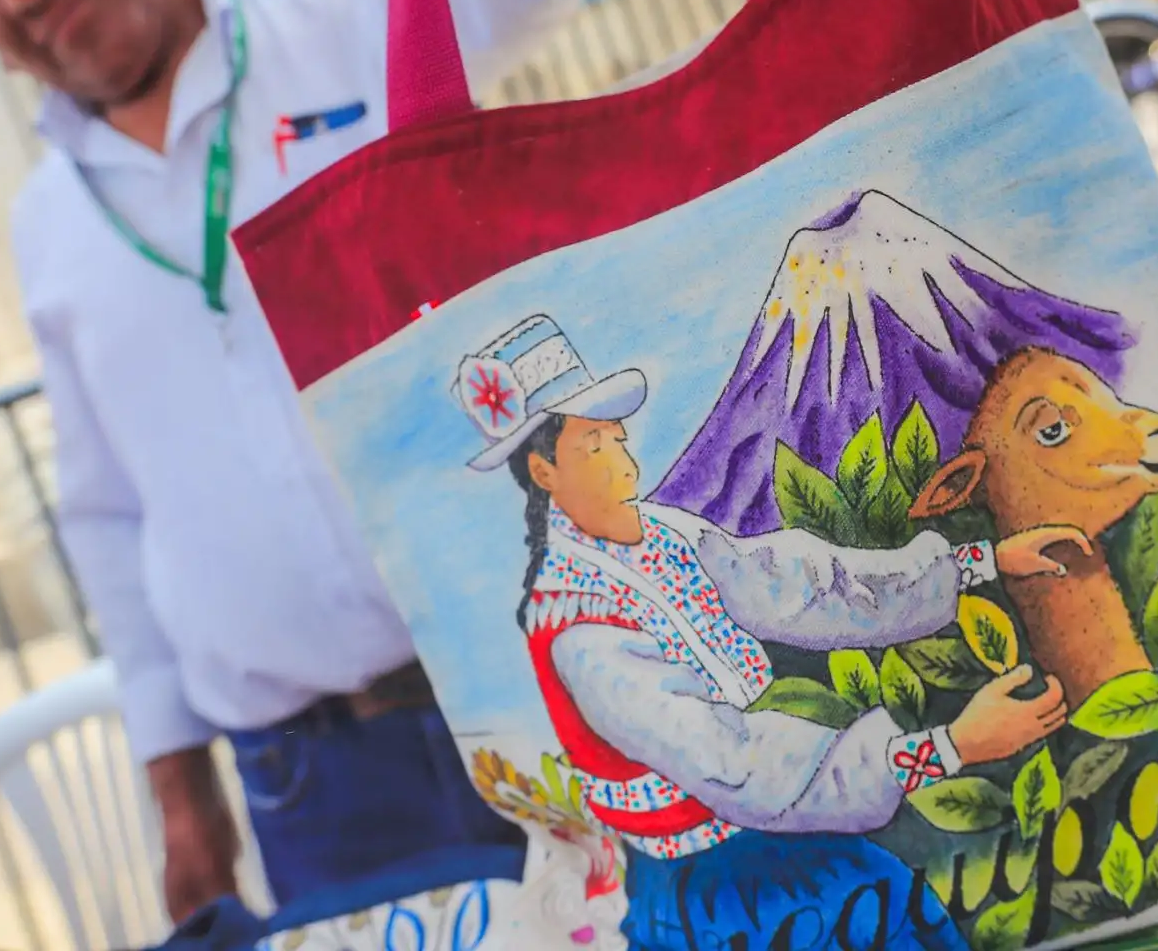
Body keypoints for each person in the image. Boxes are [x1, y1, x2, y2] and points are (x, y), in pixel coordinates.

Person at [0, 0, 590, 922]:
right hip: (314, 782)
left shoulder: (347, 19)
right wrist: (182, 807)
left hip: (546, 690)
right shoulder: (49, 227)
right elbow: (110, 522)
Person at [456, 315, 1081, 950]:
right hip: (722, 889)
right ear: (543, 473)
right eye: (594, 445)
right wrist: (948, 747)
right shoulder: (580, 628)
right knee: (874, 907)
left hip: (780, 839)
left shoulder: (665, 536)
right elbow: (731, 763)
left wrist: (982, 564)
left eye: (616, 437)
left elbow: (805, 588)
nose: (623, 459)